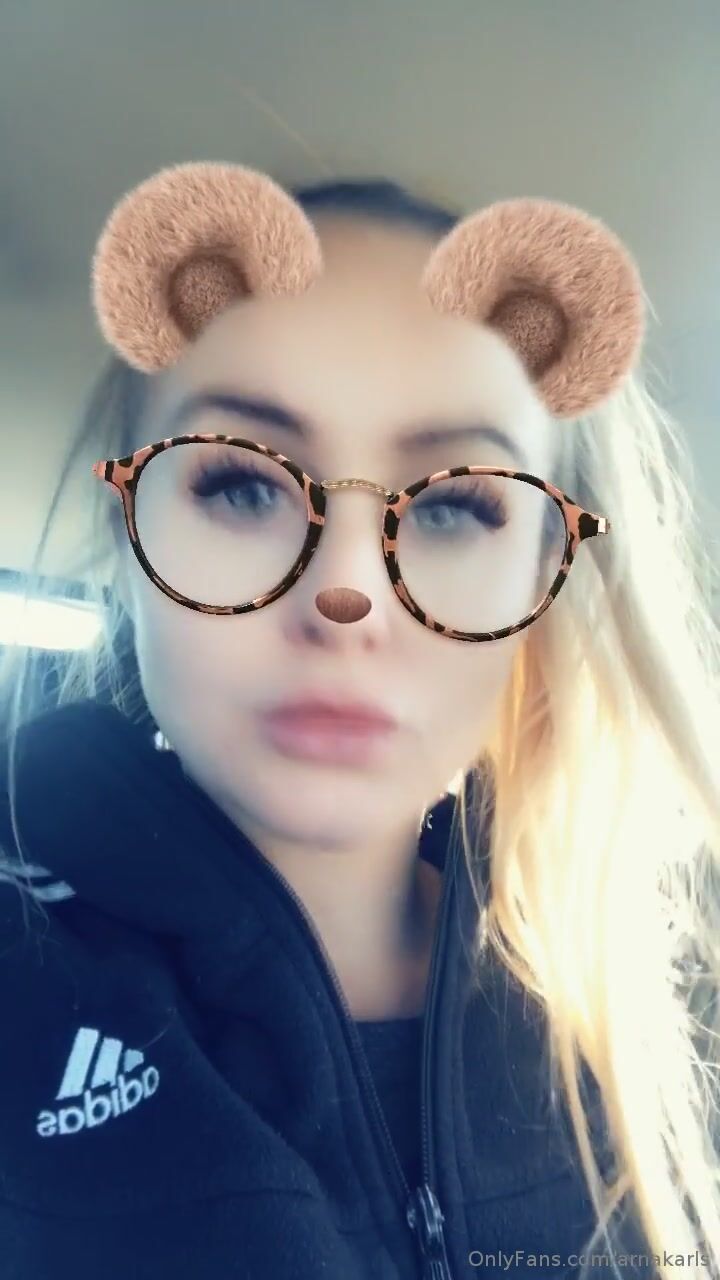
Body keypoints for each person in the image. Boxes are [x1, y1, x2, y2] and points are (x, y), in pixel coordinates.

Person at [0, 161, 719, 1280]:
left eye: (456, 505)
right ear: (127, 531)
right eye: (241, 484)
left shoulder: (674, 1002)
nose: (347, 594)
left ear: (546, 576)